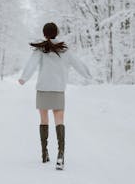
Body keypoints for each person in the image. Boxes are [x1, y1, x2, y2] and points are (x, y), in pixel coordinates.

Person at [18, 22, 92, 170]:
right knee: (59, 120)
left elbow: (31, 64)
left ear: (44, 33)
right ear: (56, 33)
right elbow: (77, 63)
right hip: (58, 89)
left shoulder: (41, 49)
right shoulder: (65, 50)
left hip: (43, 89)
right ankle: (60, 154)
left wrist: (24, 78)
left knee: (44, 119)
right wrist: (88, 75)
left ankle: (44, 153)